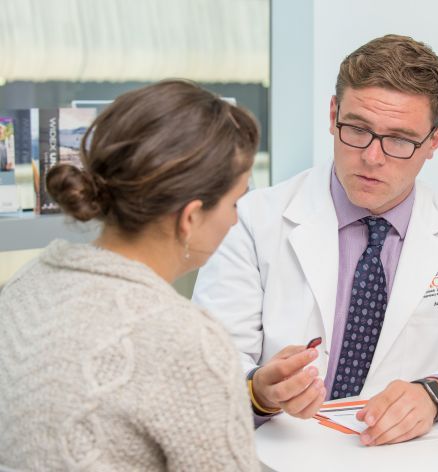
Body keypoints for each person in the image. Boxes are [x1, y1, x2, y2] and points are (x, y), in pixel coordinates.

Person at [193, 35, 438, 446]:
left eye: (400, 140)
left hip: (400, 455)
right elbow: (209, 363)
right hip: (284, 452)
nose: (373, 157)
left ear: (435, 141)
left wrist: (434, 395)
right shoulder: (252, 219)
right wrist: (259, 393)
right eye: (357, 129)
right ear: (333, 113)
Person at [0, 80, 261, 470]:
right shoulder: (188, 341)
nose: (237, 218)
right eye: (236, 201)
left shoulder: (26, 284)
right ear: (190, 217)